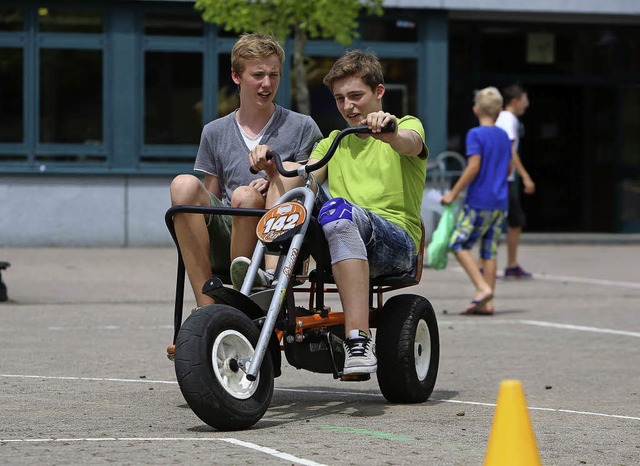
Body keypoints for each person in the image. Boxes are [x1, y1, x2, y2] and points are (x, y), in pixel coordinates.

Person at [247, 50, 428, 376]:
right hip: (339, 231)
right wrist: (271, 168)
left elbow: (410, 143)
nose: (348, 106)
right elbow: (302, 180)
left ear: (379, 92)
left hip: (395, 241)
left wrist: (390, 133)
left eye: (356, 96)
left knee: (336, 208)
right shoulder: (334, 141)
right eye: (340, 98)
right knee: (288, 173)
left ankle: (358, 340)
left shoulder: (404, 125)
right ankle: (273, 276)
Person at [168, 33, 322, 310]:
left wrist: (275, 178)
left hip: (278, 239)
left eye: (274, 75)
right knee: (183, 185)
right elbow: (209, 201)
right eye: (258, 75)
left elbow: (313, 187)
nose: (267, 83)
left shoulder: (302, 126)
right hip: (230, 234)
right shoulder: (214, 131)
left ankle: (244, 296)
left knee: (246, 196)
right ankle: (208, 309)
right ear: (236, 76)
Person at [441, 87, 512, 316]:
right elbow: (509, 166)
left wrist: (453, 193)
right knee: (489, 251)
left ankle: (482, 289)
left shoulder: (475, 134)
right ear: (500, 111)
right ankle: (488, 303)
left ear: (475, 109)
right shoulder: (503, 135)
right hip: (500, 202)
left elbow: (473, 166)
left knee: (457, 243)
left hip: (479, 201)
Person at [496, 84, 535, 279]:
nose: (526, 105)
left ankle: (505, 264)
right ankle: (509, 265)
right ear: (515, 101)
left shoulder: (505, 118)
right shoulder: (508, 119)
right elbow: (510, 150)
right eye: (525, 100)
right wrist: (525, 176)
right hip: (503, 179)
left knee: (510, 220)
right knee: (513, 220)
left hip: (502, 179)